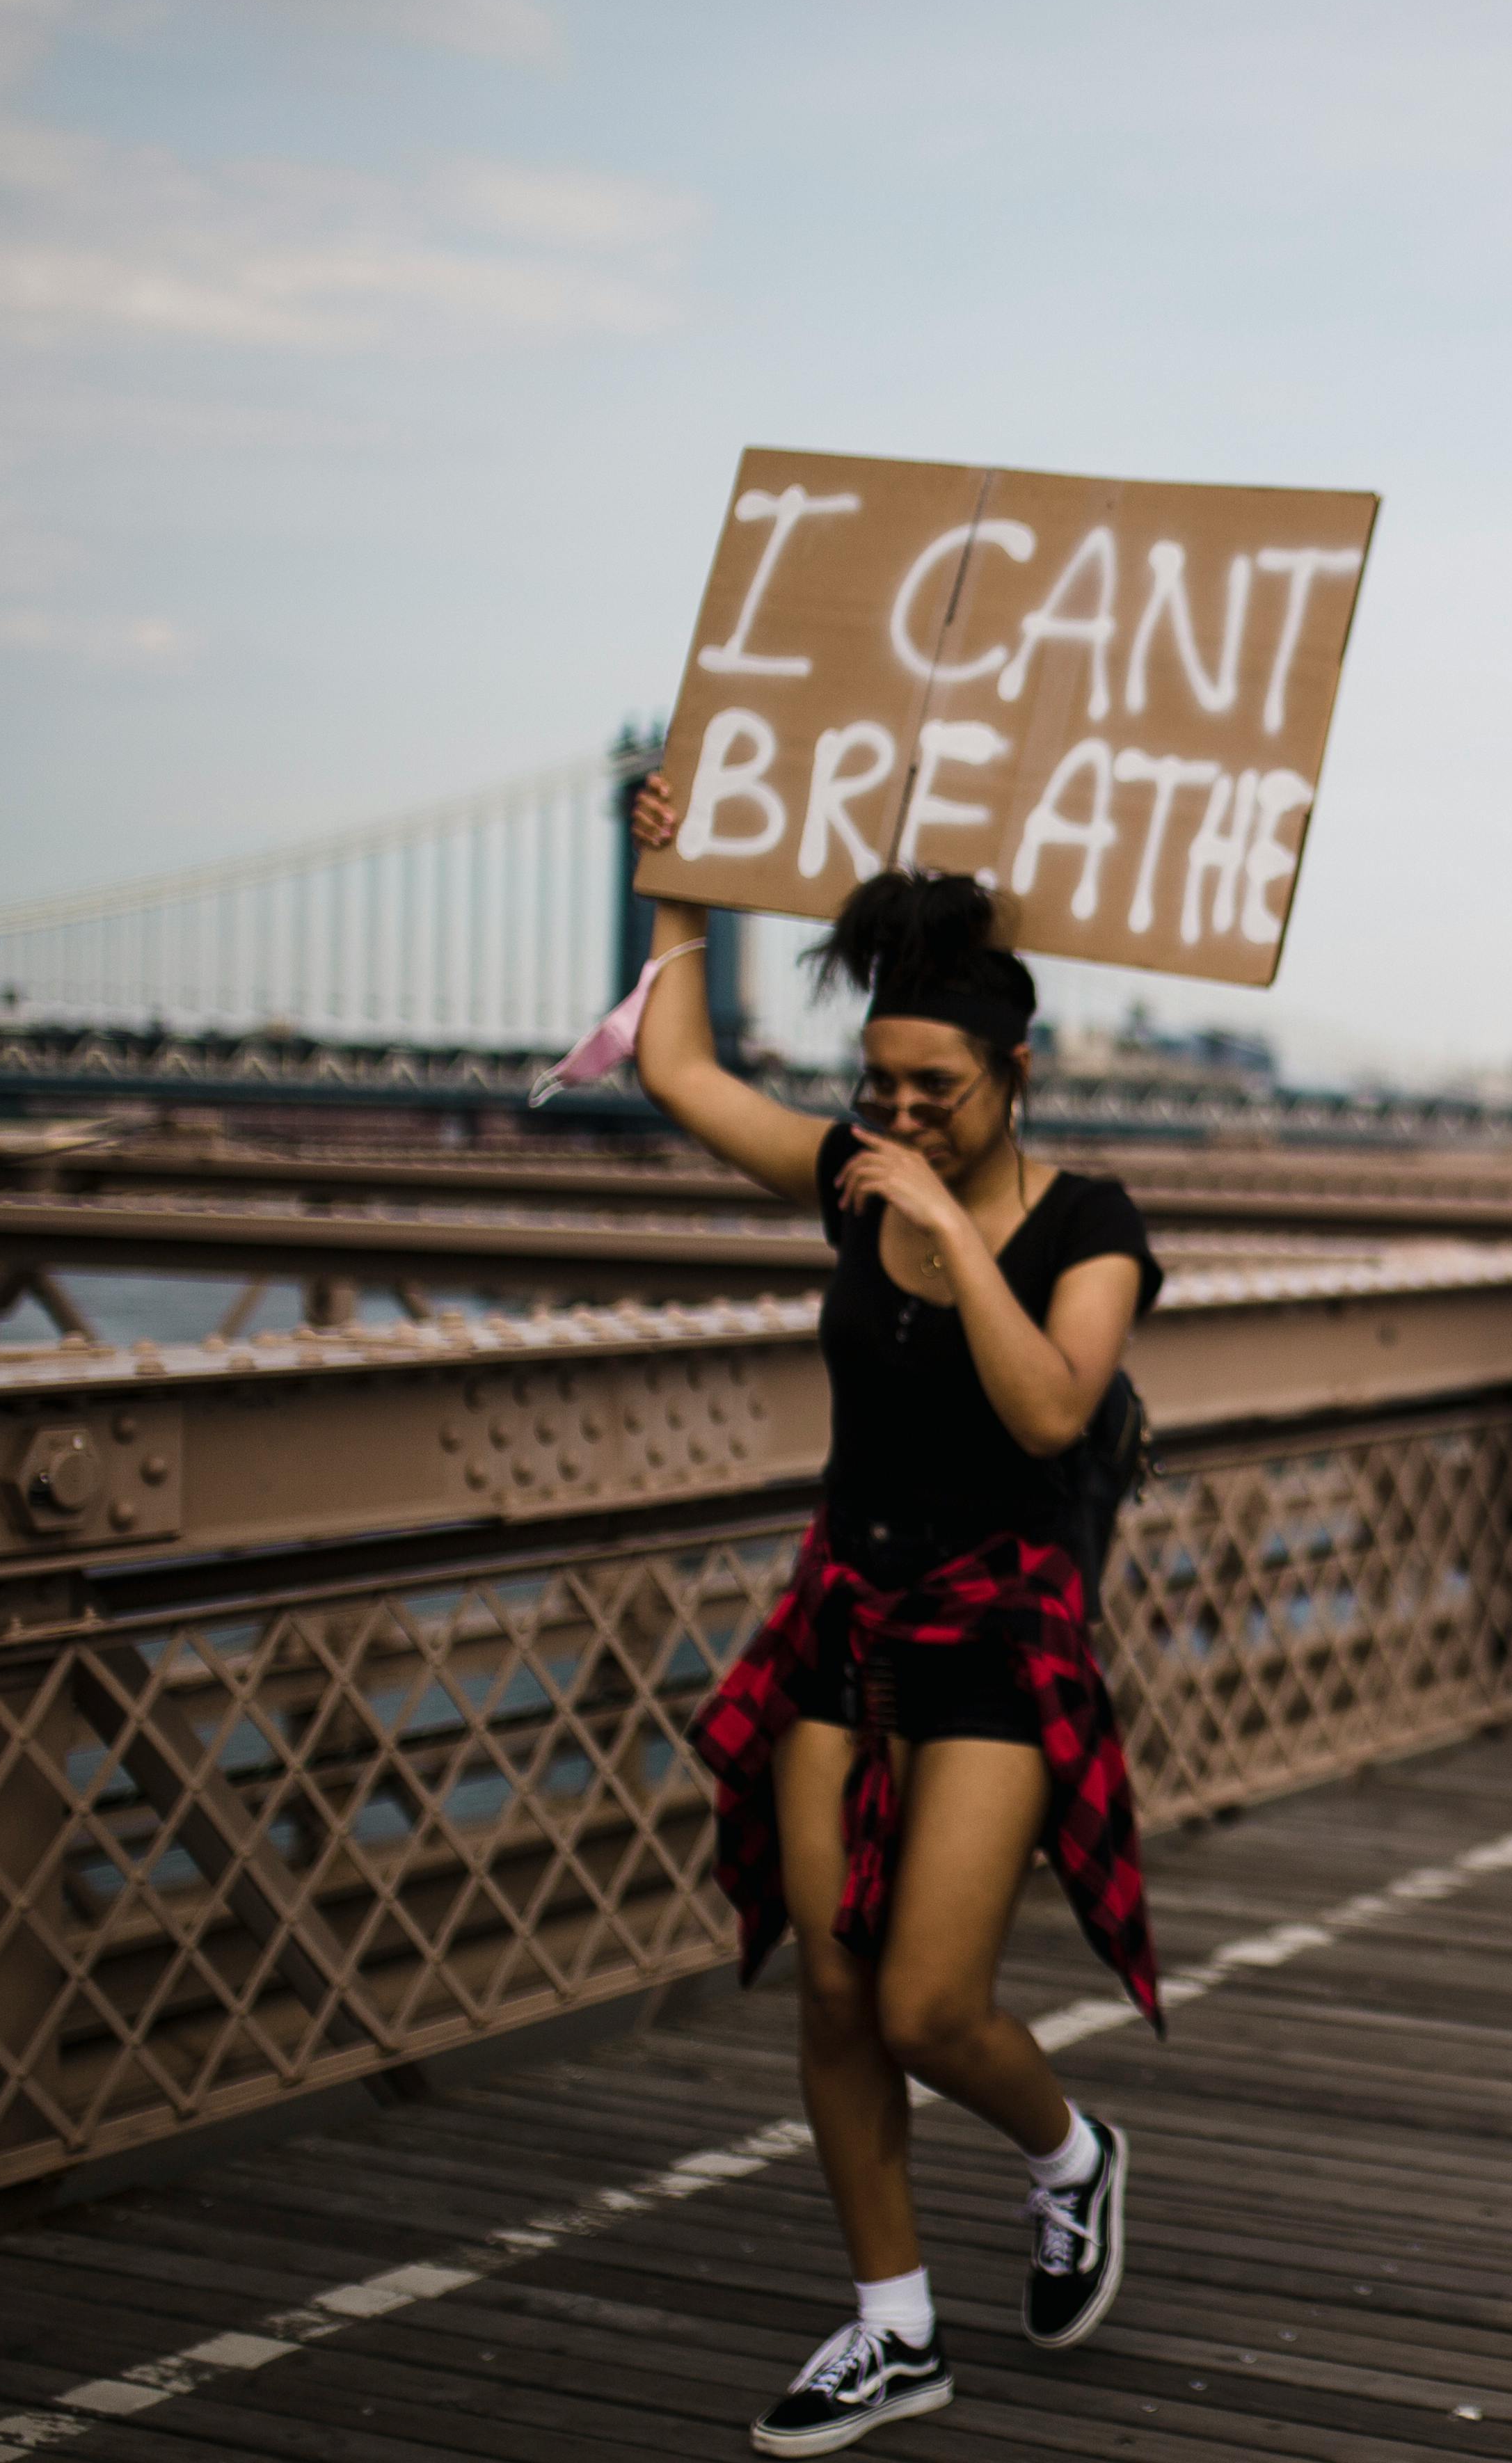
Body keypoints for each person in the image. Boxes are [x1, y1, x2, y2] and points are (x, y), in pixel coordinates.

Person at [626, 779, 1162, 2455]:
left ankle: (1069, 2155)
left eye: (937, 1091)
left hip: (998, 1629)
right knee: (836, 1996)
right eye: (880, 1089)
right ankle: (892, 2327)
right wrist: (677, 892)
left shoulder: (1088, 1223)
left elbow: (1055, 1412)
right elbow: (678, 1070)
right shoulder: (850, 1171)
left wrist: (946, 1228)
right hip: (843, 1613)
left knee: (933, 2001)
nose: (900, 1117)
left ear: (1017, 1072)